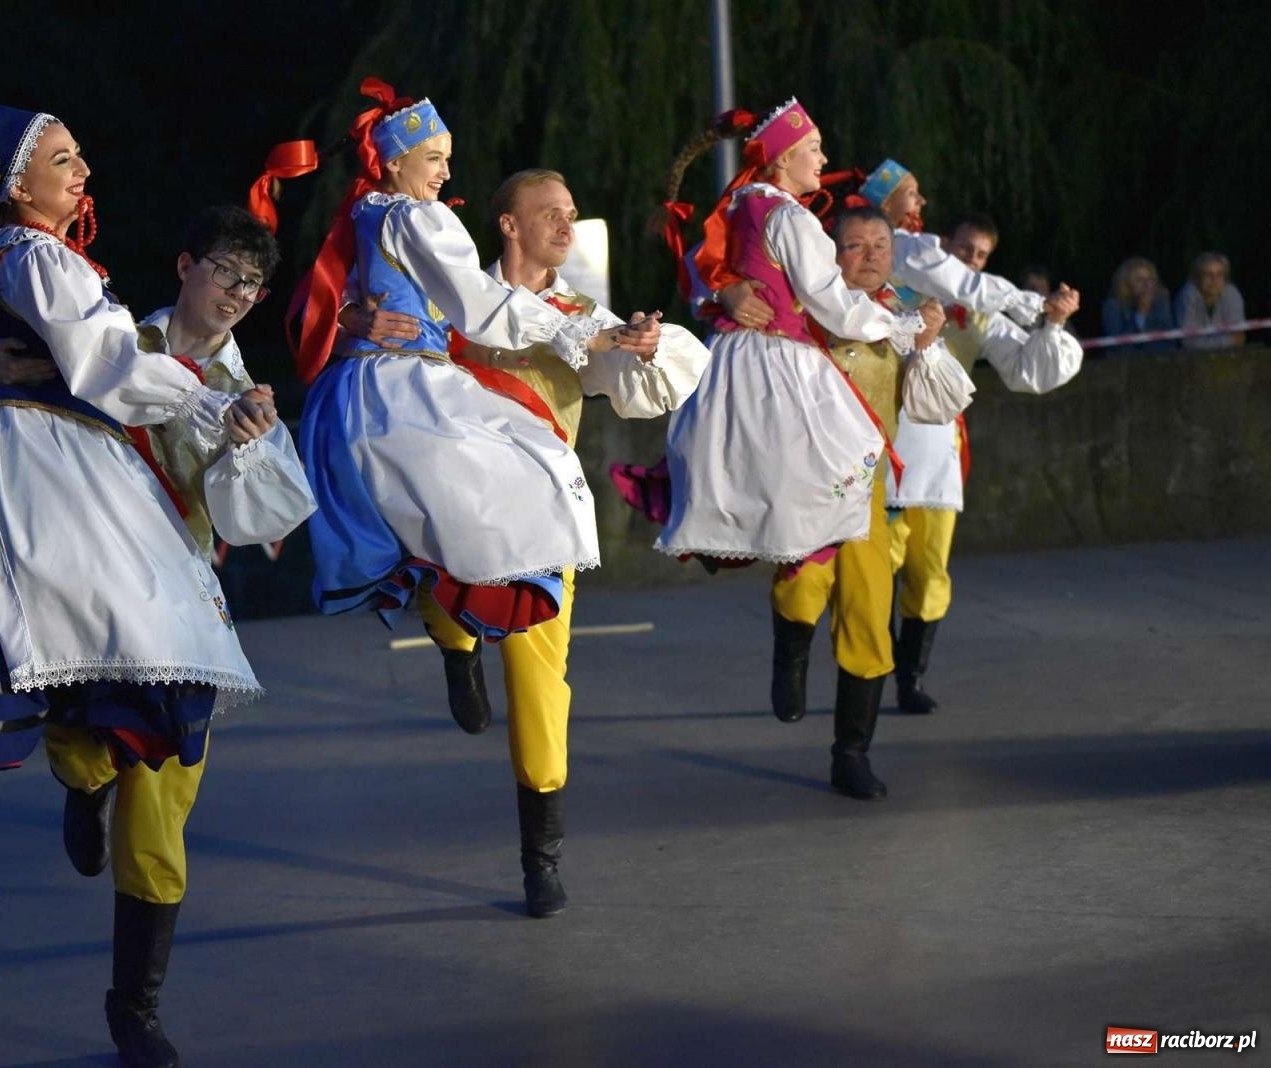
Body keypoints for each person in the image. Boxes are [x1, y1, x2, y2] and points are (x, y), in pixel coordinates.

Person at [0, 106, 314, 1068]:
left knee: (167, 754)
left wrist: (240, 430)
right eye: (228, 274)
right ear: (186, 268)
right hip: (85, 524)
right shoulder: (99, 307)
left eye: (255, 284)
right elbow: (95, 364)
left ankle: (136, 1004)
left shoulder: (179, 344)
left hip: (158, 567)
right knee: (104, 705)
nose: (242, 294)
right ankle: (81, 789)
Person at [342, 168, 710, 915]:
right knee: (443, 598)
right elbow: (368, 343)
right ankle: (454, 649)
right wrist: (354, 320)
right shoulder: (450, 299)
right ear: (507, 225)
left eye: (572, 213)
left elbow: (633, 388)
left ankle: (540, 856)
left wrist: (643, 346)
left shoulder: (579, 313)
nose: (566, 226)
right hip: (460, 510)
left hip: (540, 519)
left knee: (542, 685)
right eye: (549, 213)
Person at [287, 80, 648, 648]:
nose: (445, 174)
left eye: (446, 160)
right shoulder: (418, 216)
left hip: (358, 391)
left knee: (453, 509)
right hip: (404, 385)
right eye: (433, 159)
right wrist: (575, 329)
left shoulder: (364, 214)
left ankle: (457, 631)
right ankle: (478, 622)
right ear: (393, 159)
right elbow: (478, 305)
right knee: (535, 464)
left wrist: (352, 316)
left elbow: (330, 297)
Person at [653, 101, 933, 565]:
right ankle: (794, 542)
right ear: (783, 158)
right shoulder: (790, 217)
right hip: (776, 355)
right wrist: (898, 323)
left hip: (728, 355)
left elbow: (696, 263)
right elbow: (833, 304)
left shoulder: (742, 205)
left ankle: (743, 538)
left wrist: (723, 292)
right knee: (839, 450)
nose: (824, 160)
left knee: (736, 460)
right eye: (815, 149)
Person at [768, 206, 971, 798]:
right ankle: (791, 653)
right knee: (803, 585)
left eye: (880, 243)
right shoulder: (798, 311)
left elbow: (939, 400)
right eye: (855, 245)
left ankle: (850, 754)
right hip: (805, 486)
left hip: (869, 490)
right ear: (830, 255)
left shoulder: (903, 316)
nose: (872, 254)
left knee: (868, 616)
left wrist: (929, 342)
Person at [884, 212, 1083, 715]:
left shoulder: (980, 312)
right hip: (879, 446)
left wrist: (1052, 323)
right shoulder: (898, 277)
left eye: (980, 257)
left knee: (929, 572)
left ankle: (910, 678)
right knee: (875, 568)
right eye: (964, 250)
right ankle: (870, 669)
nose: (970, 262)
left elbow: (1024, 369)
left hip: (935, 453)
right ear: (943, 245)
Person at [858, 160, 1045, 330]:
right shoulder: (902, 245)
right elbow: (962, 284)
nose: (922, 201)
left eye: (982, 255)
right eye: (912, 193)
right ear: (886, 204)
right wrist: (1028, 301)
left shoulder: (888, 243)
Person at [1101, 256, 1177, 351]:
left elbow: (1169, 338)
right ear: (1126, 283)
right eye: (1139, 280)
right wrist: (1140, 314)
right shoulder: (1112, 306)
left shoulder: (1160, 302)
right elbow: (1119, 345)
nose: (1146, 285)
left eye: (1150, 279)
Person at [1175, 252, 1246, 350]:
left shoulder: (1232, 293)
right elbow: (1189, 342)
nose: (1214, 280)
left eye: (1219, 274)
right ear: (1197, 277)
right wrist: (1228, 341)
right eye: (1208, 274)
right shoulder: (1187, 296)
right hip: (1192, 359)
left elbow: (1239, 336)